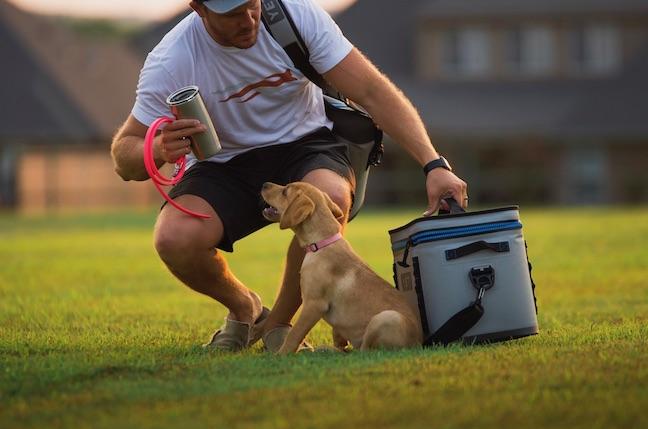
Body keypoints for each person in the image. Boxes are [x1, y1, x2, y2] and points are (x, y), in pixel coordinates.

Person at [110, 0, 468, 352]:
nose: (249, 19)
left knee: (329, 197)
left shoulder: (295, 16)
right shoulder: (171, 59)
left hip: (305, 144)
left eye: (252, 4)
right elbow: (124, 157)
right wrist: (156, 149)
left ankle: (279, 323)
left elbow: (372, 91)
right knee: (174, 238)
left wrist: (433, 164)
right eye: (232, 13)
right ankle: (244, 308)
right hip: (223, 162)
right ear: (198, 8)